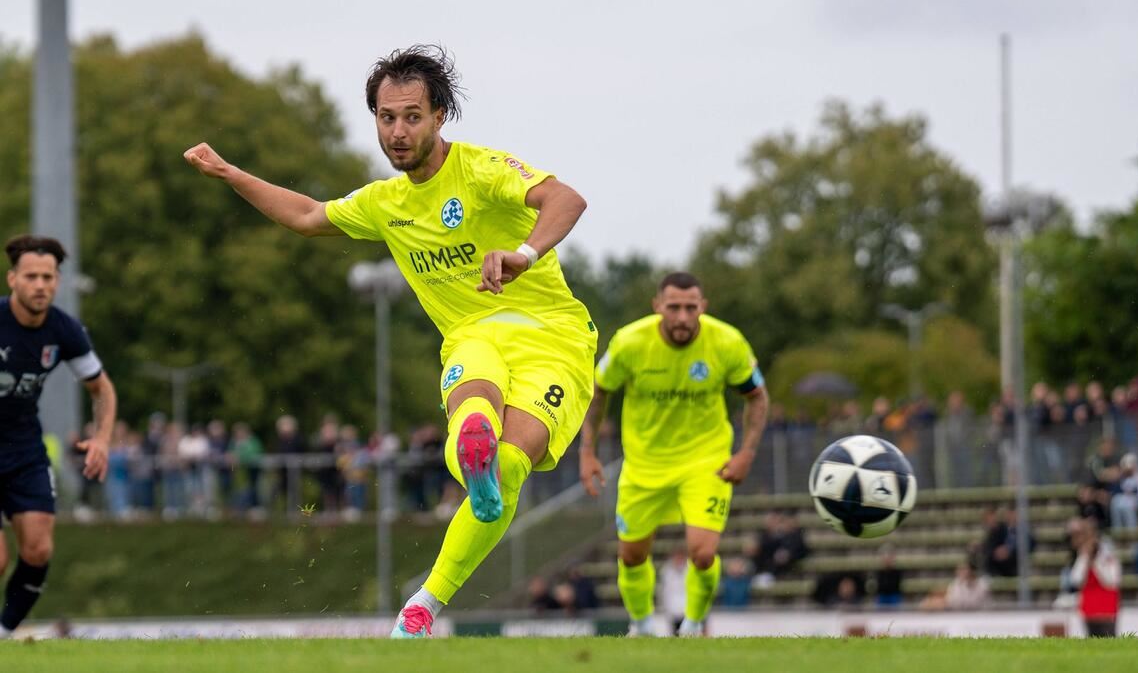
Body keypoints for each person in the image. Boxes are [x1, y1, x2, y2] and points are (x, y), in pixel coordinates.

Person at [184, 45, 595, 638]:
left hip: (554, 338)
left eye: (411, 116)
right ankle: (426, 600)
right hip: (473, 337)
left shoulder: (482, 170)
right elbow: (306, 215)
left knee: (508, 464)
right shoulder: (386, 203)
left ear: (439, 116)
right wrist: (228, 173)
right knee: (475, 416)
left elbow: (566, 199)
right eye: (386, 117)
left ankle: (428, 592)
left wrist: (523, 254)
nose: (397, 132)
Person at [579, 272, 769, 637]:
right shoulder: (630, 342)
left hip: (705, 461)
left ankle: (694, 624)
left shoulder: (727, 342)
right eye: (674, 307)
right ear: (657, 307)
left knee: (702, 553)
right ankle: (642, 624)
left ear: (703, 307)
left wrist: (746, 452)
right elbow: (599, 391)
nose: (682, 316)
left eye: (690, 307)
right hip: (644, 464)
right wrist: (587, 452)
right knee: (632, 555)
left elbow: (757, 396)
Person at [0, 235, 117, 638]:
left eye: (48, 277)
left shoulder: (64, 330)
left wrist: (101, 438)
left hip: (23, 450)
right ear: (12, 279)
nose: (40, 285)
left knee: (38, 549)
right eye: (31, 276)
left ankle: (3, 633)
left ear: (58, 282)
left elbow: (101, 388)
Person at [1069, 516, 1122, 637]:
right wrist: (1085, 558)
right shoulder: (1083, 556)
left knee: (1109, 640)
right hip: (1089, 608)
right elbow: (1075, 579)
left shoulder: (1107, 554)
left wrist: (1096, 562)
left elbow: (1112, 580)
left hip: (1107, 608)